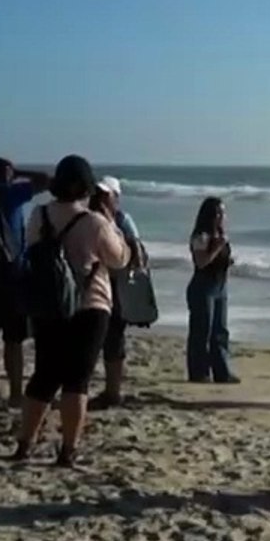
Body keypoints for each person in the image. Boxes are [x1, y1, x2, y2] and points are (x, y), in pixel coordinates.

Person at [12, 155, 130, 467]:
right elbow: (119, 259)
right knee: (77, 380)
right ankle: (68, 449)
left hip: (48, 304)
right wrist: (112, 223)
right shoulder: (95, 222)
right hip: (90, 304)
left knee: (44, 376)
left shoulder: (40, 214)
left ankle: (25, 443)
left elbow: (31, 247)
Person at [0, 157, 50, 407]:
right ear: (7, 174)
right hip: (14, 276)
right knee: (13, 341)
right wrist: (19, 172)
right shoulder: (12, 193)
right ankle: (15, 393)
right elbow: (46, 180)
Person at [90, 175, 146, 409]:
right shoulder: (87, 219)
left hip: (115, 286)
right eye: (98, 194)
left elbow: (138, 256)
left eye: (106, 195)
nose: (100, 199)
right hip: (92, 285)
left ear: (116, 198)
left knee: (113, 340)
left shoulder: (122, 221)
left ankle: (113, 391)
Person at [186, 197, 240, 384]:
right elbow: (201, 262)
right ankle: (199, 372)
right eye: (217, 213)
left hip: (220, 286)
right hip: (203, 286)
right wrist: (216, 248)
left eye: (222, 213)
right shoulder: (202, 236)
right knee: (202, 331)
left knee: (220, 330)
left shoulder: (221, 235)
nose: (220, 217)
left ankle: (221, 371)